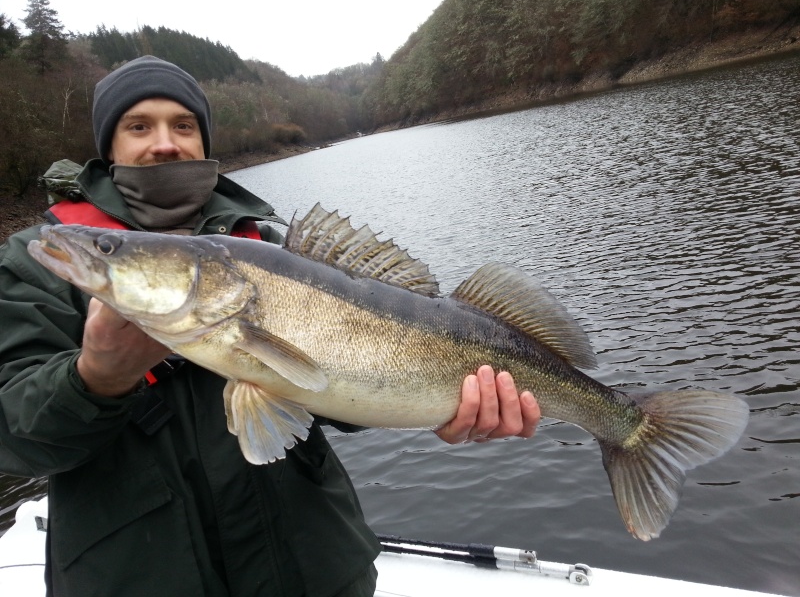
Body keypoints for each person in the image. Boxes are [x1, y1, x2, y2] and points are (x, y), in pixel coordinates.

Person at [0, 56, 540, 597]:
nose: (165, 143)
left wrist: (447, 406)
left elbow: (339, 397)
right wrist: (94, 377)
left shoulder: (273, 251)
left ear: (203, 141)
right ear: (108, 147)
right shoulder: (34, 264)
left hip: (313, 574)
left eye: (183, 125)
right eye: (138, 125)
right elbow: (13, 439)